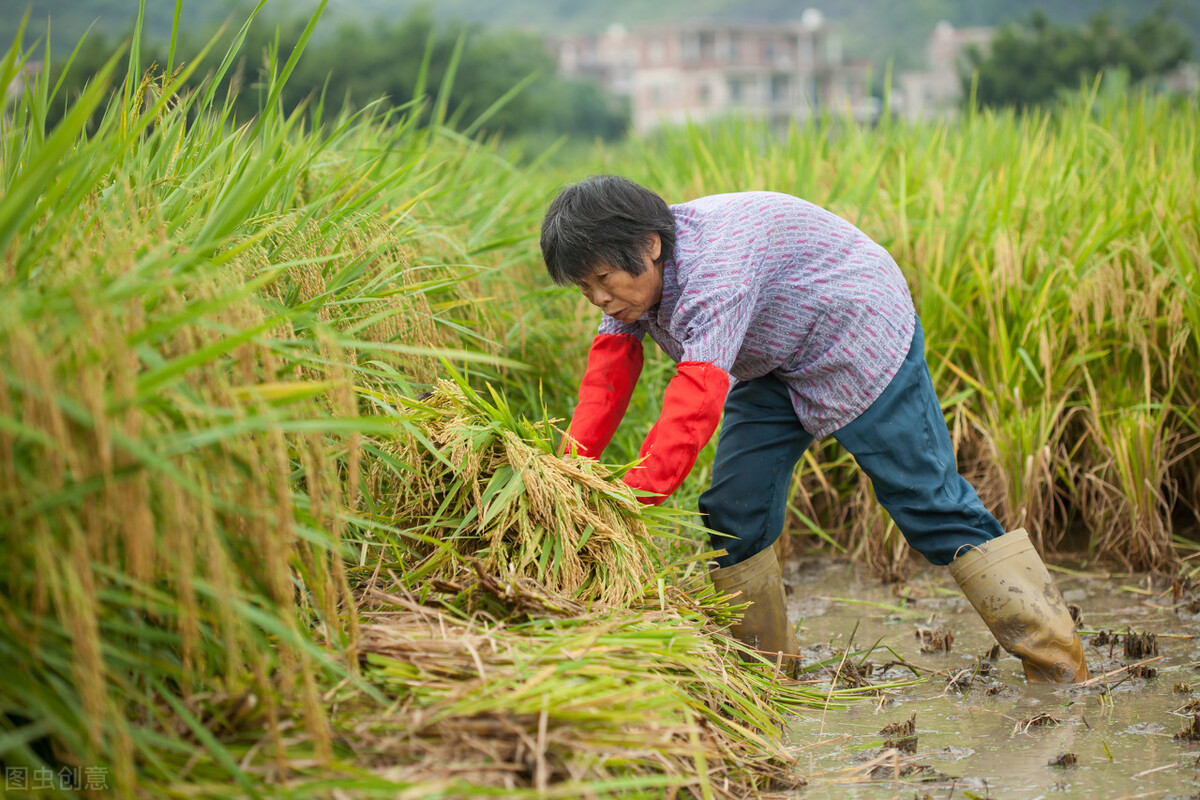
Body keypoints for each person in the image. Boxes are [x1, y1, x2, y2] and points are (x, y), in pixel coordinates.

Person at [540, 174, 1088, 684]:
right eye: (584, 288)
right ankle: (768, 675)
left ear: (650, 246)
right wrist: (568, 472)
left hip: (856, 330)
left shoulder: (715, 267)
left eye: (604, 281)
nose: (599, 299)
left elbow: (694, 403)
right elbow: (607, 377)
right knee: (734, 511)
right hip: (773, 358)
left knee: (928, 504)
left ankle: (1059, 667)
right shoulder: (629, 279)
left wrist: (629, 498)